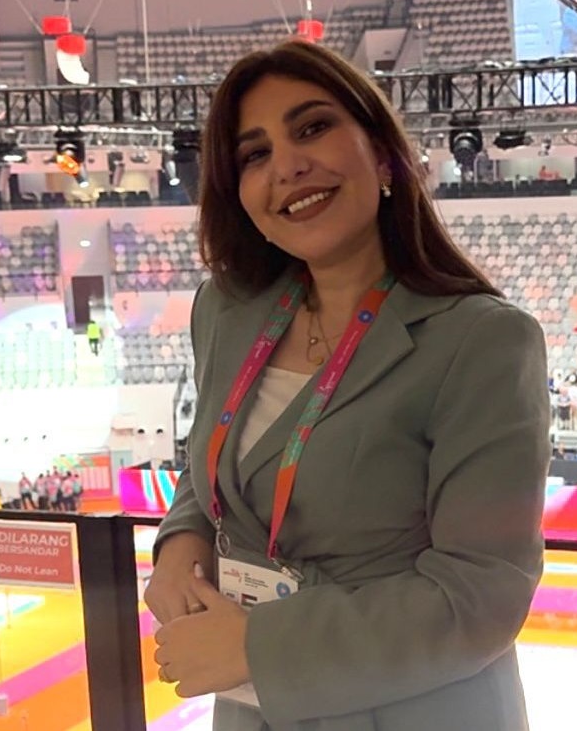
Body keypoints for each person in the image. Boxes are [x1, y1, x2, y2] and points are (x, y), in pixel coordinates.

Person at [146, 41, 550, 731]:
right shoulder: (225, 310)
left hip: (417, 710)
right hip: (250, 708)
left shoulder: (482, 340)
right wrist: (181, 539)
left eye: (312, 128)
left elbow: (480, 594)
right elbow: (211, 463)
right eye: (255, 154)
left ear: (384, 155)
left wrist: (257, 647)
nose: (287, 166)